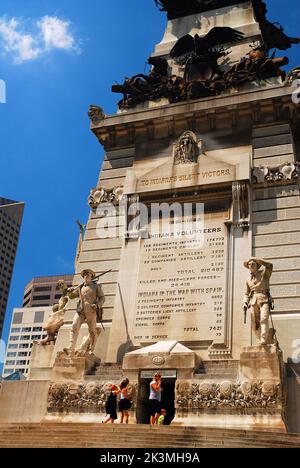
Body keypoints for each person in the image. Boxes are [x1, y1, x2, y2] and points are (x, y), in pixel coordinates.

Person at [63, 269, 105, 355]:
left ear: (92, 276)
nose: (86, 275)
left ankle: (91, 349)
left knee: (92, 331)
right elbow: (71, 296)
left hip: (91, 311)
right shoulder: (80, 287)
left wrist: (97, 305)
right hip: (81, 310)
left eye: (88, 274)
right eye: (85, 274)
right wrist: (69, 292)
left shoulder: (96, 286)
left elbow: (102, 298)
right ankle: (71, 347)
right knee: (74, 326)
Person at [243, 257, 274, 345]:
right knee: (254, 322)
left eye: (253, 264)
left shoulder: (264, 274)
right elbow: (246, 293)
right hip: (253, 300)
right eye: (249, 264)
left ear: (257, 265)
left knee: (264, 319)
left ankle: (263, 339)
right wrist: (245, 302)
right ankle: (258, 340)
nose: (251, 265)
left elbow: (270, 265)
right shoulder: (248, 279)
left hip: (264, 298)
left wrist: (258, 260)